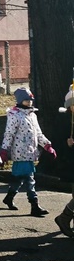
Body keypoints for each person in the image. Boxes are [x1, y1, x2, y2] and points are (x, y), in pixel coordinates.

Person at [0, 87, 56, 217]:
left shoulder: (32, 115)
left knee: (18, 179)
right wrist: (4, 150)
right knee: (30, 179)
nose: (29, 102)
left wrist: (47, 145)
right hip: (20, 154)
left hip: (30, 152)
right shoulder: (14, 116)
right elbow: (9, 134)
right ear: (20, 101)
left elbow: (38, 133)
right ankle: (34, 205)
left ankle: (9, 197)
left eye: (31, 100)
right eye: (26, 100)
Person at [55, 84, 74, 239]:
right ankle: (64, 218)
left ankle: (65, 218)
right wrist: (67, 144)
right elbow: (58, 140)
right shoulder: (65, 122)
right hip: (71, 163)